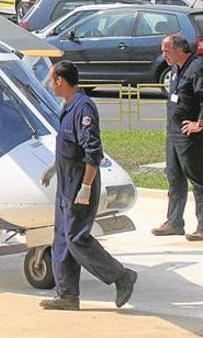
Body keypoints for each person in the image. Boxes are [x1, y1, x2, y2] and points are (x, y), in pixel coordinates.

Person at [39, 61, 136, 311]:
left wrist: (85, 188)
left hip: (79, 186)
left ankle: (121, 276)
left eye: (52, 80)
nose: (51, 84)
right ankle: (67, 295)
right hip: (65, 183)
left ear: (60, 81)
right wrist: (53, 169)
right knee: (61, 238)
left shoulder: (84, 109)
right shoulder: (68, 107)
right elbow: (70, 148)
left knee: (76, 239)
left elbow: (93, 153)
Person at [151, 34, 203, 241]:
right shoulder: (175, 67)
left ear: (179, 50)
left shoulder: (196, 67)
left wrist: (201, 122)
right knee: (174, 177)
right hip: (173, 132)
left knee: (199, 178)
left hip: (189, 134)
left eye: (166, 50)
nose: (164, 55)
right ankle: (174, 222)